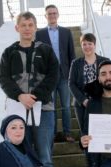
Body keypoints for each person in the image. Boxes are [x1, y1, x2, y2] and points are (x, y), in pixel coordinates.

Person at [0, 12, 59, 167]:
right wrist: (19, 96)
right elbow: (3, 79)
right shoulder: (9, 53)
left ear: (35, 27)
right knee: (21, 157)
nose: (26, 28)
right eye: (23, 24)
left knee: (45, 158)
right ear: (17, 28)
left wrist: (35, 96)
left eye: (30, 24)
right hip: (18, 111)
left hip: (45, 110)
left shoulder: (47, 51)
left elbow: (54, 76)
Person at [69, 33, 109, 167]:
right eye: (84, 44)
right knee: (87, 138)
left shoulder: (105, 61)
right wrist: (84, 100)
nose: (87, 46)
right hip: (82, 106)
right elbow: (71, 84)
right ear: (81, 45)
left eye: (89, 43)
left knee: (103, 136)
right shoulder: (76, 63)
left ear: (94, 44)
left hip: (101, 104)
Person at [36, 4, 75, 142]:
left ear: (58, 15)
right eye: (49, 13)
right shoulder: (39, 34)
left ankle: (67, 133)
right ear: (45, 16)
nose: (52, 15)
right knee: (50, 107)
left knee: (65, 105)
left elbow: (72, 55)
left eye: (54, 13)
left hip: (64, 75)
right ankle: (52, 134)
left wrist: (72, 73)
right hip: (48, 77)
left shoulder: (66, 32)